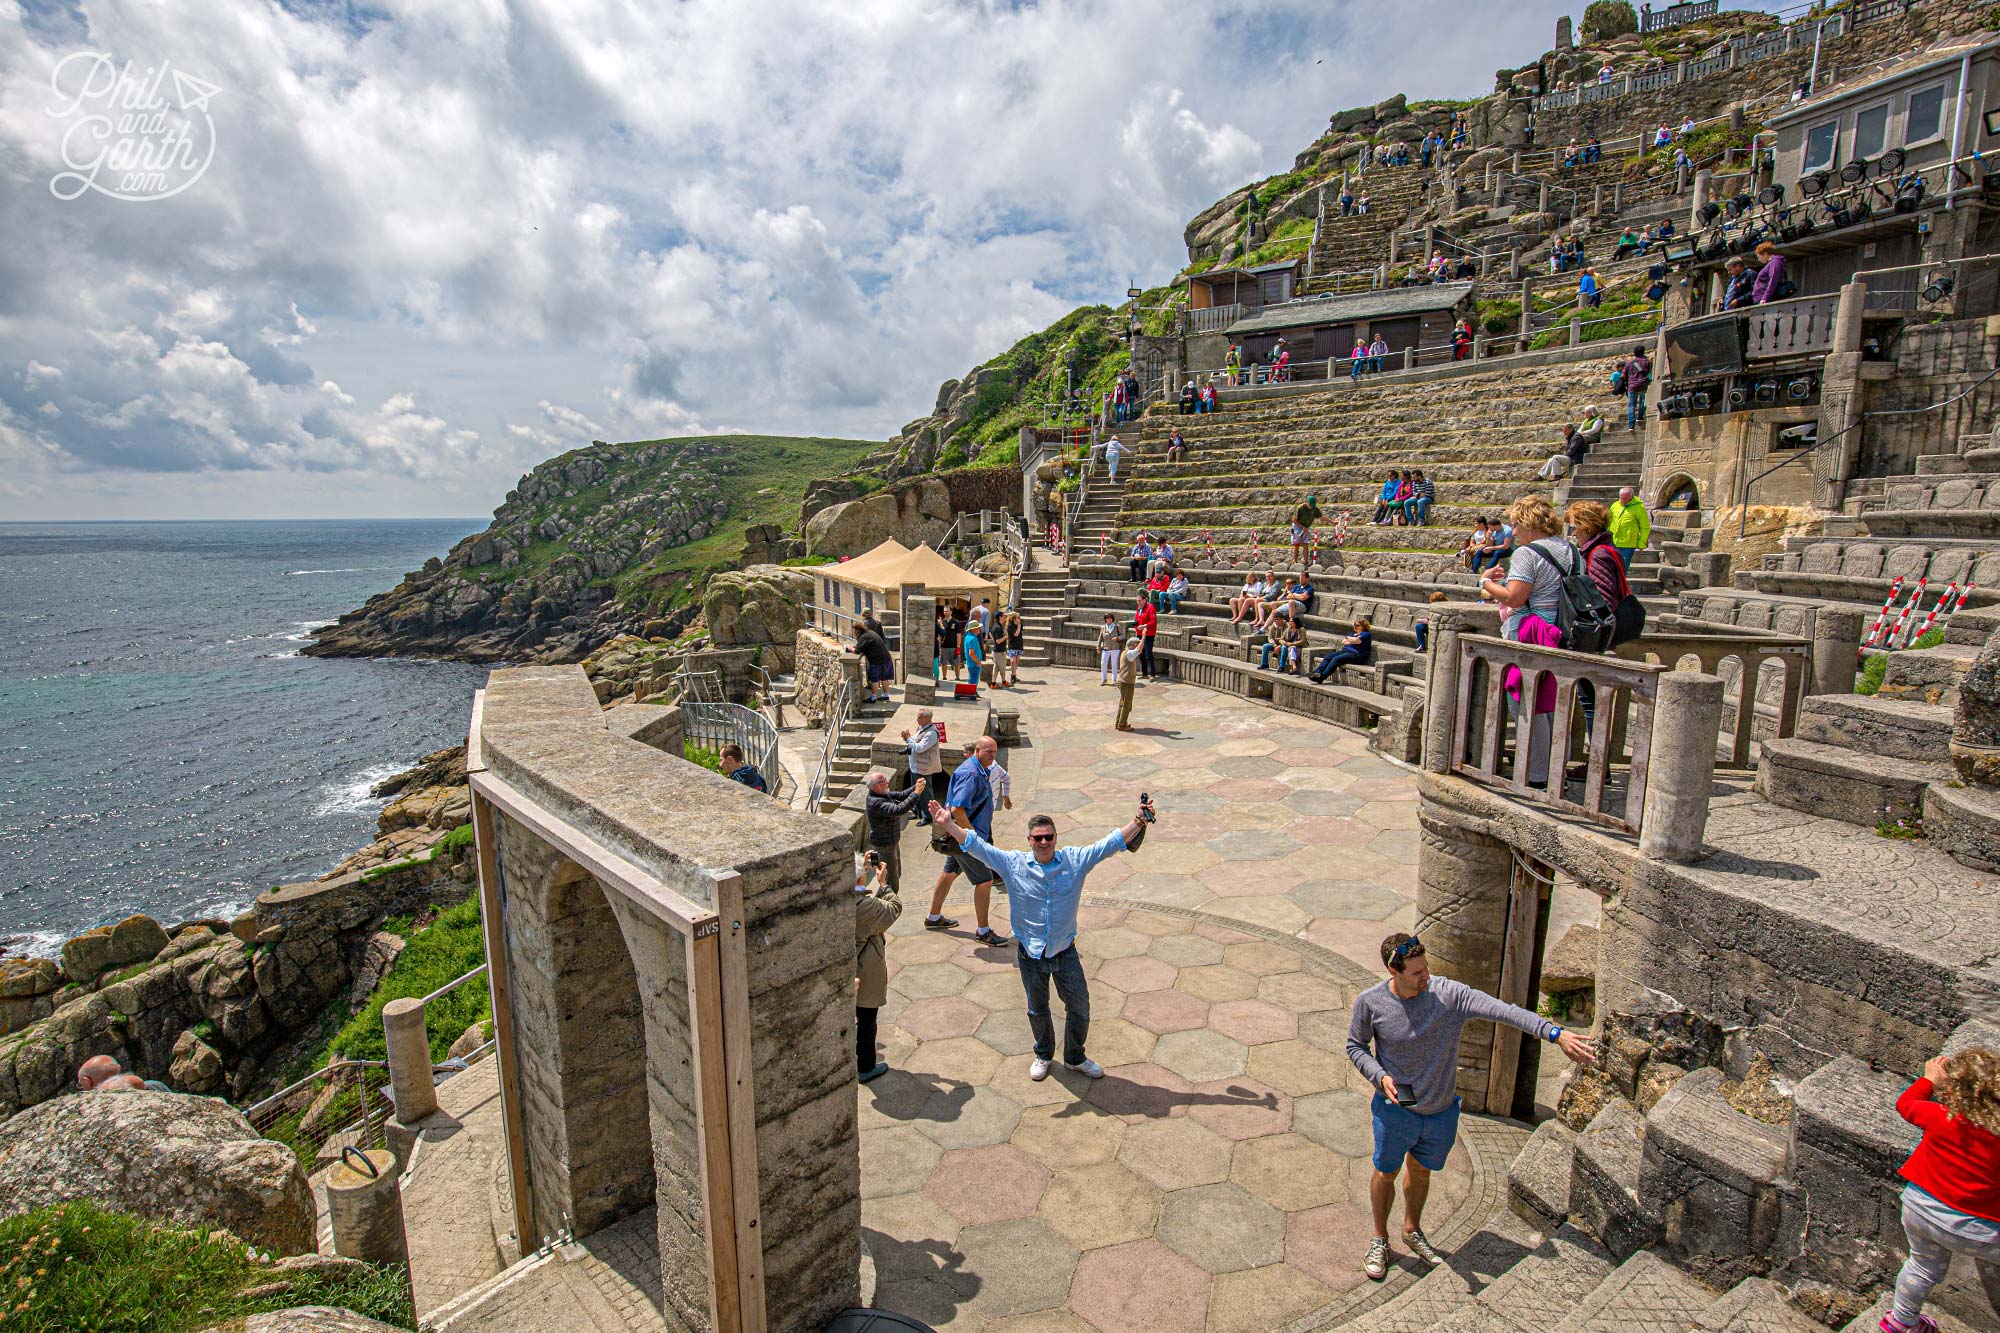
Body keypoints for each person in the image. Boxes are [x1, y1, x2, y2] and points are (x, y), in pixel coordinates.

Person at [1348, 932, 1597, 1279]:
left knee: (1420, 1171)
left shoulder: (1449, 995)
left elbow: (1505, 1012)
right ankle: (1380, 1239)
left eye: (1426, 968)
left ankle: (1411, 1229)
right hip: (1396, 1108)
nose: (1426, 977)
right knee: (1386, 1172)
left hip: (1439, 1111)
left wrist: (1555, 1034)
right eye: (1417, 973)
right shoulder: (1371, 1003)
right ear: (1394, 971)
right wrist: (1379, 1076)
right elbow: (1355, 1046)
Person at [926, 794, 1153, 1081]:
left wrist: (1138, 820)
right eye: (1038, 838)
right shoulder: (1013, 863)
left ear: (1056, 838)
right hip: (1029, 954)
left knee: (1080, 1007)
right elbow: (976, 847)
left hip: (1065, 951)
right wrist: (949, 826)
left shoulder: (1074, 860)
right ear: (1029, 840)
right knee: (1037, 1009)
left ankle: (1074, 1057)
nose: (1044, 843)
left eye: (1048, 837)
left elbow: (1110, 843)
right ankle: (1043, 1054)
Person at [1878, 1048, 2000, 1333]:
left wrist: (1929, 1080)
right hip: (1977, 1232)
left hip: (1919, 1211)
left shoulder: (1939, 1116)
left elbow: (1906, 1103)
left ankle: (1901, 1322)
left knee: (1921, 1268)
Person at [1479, 495, 1572, 786]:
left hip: (1534, 635)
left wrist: (1486, 582)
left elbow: (1516, 598)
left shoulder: (1528, 553)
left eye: (1516, 525)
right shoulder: (1570, 549)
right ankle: (1556, 771)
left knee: (1527, 702)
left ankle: (1536, 776)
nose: (1514, 532)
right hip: (1562, 632)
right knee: (1553, 704)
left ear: (1530, 523)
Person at [925, 736, 1009, 945]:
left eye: (994, 752)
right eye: (988, 752)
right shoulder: (971, 774)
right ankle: (983, 931)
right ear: (977, 751)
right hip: (965, 839)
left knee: (949, 873)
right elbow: (957, 809)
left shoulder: (978, 769)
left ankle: (933, 917)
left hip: (957, 838)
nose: (992, 756)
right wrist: (973, 838)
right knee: (985, 880)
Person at [854, 852, 901, 1083]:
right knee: (866, 1020)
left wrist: (860, 868)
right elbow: (894, 908)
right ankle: (865, 1066)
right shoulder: (864, 907)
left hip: (847, 969)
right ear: (860, 880)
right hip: (864, 971)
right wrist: (883, 884)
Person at [864, 771, 926, 894]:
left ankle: (884, 903)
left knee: (895, 875)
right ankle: (887, 908)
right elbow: (898, 810)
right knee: (892, 883)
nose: (887, 782)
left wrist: (915, 786)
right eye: (883, 781)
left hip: (891, 843)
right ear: (876, 786)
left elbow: (901, 795)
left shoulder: (883, 794)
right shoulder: (876, 802)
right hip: (884, 846)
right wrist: (917, 793)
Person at [902, 707, 947, 805]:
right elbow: (914, 740)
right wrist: (908, 738)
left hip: (924, 768)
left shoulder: (931, 733)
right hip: (916, 766)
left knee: (925, 793)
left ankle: (927, 816)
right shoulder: (921, 728)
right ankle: (917, 812)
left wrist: (908, 739)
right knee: (915, 790)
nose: (917, 720)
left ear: (926, 719)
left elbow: (919, 748)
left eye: (919, 718)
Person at [1310, 618, 1373, 683]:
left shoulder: (1366, 634)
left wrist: (1348, 638)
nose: (1355, 627)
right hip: (1345, 651)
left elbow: (1357, 641)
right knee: (1329, 656)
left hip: (1356, 655)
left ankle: (1321, 677)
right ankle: (1316, 673)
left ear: (1364, 626)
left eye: (1357, 625)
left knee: (1336, 659)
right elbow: (1343, 642)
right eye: (1354, 625)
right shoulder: (1353, 634)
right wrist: (1352, 640)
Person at [1608, 486, 1650, 570]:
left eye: (1625, 498)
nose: (1622, 500)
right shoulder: (1615, 505)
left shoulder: (1639, 507)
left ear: (1631, 497)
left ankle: (1621, 583)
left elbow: (1645, 527)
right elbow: (1609, 522)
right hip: (1613, 541)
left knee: (1622, 568)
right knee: (1610, 566)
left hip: (1627, 544)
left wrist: (1642, 543)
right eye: (1621, 498)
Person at [855, 622, 895, 703]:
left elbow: (857, 651)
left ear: (857, 631)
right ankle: (886, 695)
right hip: (886, 658)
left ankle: (873, 698)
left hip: (877, 661)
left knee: (875, 680)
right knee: (884, 678)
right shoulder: (870, 633)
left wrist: (850, 648)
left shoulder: (863, 637)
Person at [1114, 633, 1143, 731]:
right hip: (1127, 682)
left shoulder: (1125, 652)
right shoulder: (1129, 653)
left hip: (1123, 681)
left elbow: (1139, 649)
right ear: (1133, 645)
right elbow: (1139, 649)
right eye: (1137, 644)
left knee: (1123, 703)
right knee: (1127, 704)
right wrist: (1144, 635)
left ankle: (1119, 722)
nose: (1139, 646)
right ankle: (1122, 725)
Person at [1620, 344, 1652, 430]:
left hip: (1632, 386)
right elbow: (1650, 372)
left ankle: (1631, 426)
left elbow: (1623, 375)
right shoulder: (1647, 362)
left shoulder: (1629, 363)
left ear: (1634, 353)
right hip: (1643, 384)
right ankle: (1640, 417)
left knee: (1631, 405)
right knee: (1642, 401)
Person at [1750, 239, 1788, 305]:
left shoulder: (1775, 262)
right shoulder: (1772, 263)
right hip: (1762, 298)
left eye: (1759, 257)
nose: (1759, 260)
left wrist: (1765, 298)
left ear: (1765, 254)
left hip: (1765, 300)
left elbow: (1773, 280)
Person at [1291, 494, 1323, 564]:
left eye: (1312, 505)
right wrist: (1302, 527)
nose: (1311, 507)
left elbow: (1322, 517)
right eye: (1310, 505)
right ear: (1307, 502)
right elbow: (1294, 520)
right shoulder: (1300, 508)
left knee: (1305, 543)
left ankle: (1305, 561)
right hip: (1297, 526)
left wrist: (1332, 522)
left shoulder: (1315, 509)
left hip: (1306, 527)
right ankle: (1295, 561)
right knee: (1297, 544)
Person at [1134, 593, 1159, 680]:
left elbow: (1153, 621)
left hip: (1148, 634)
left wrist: (1144, 626)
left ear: (1145, 600)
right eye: (1137, 600)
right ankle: (1144, 673)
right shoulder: (1138, 609)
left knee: (1148, 654)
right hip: (1139, 634)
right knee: (1141, 653)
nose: (1138, 602)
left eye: (1139, 600)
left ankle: (1152, 674)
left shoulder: (1150, 607)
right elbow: (1136, 620)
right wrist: (1135, 625)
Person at [1096, 612, 1123, 685]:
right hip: (1106, 648)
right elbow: (1100, 638)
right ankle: (1104, 679)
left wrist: (1117, 638)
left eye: (1110, 618)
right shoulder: (1103, 627)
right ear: (1105, 620)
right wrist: (1098, 647)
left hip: (1115, 648)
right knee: (1103, 663)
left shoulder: (1117, 626)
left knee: (1114, 664)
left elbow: (1123, 636)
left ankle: (1114, 680)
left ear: (1112, 619)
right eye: (1107, 619)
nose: (1109, 620)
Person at [962, 617, 986, 691]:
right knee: (973, 680)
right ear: (973, 629)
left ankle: (973, 692)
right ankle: (972, 693)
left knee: (973, 679)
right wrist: (978, 662)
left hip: (971, 663)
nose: (979, 629)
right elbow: (971, 653)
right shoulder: (972, 638)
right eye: (978, 627)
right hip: (974, 664)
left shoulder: (968, 636)